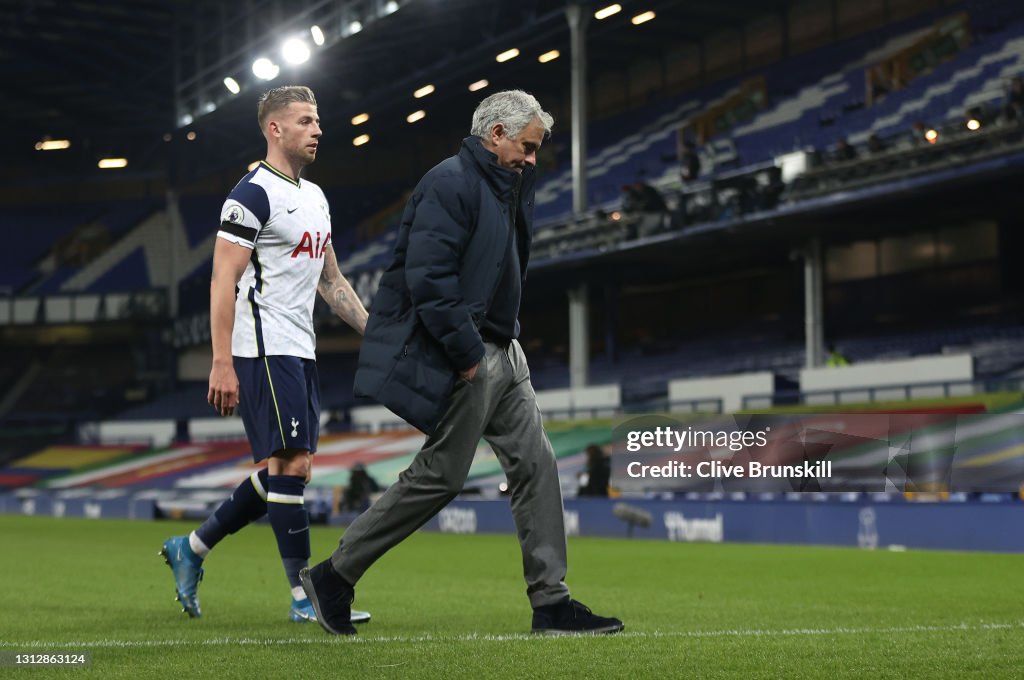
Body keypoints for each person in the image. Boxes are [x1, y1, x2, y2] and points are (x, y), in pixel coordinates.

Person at [299, 90, 624, 637]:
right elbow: (430, 279)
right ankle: (335, 574)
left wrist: (502, 342)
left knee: (536, 464)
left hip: (506, 351)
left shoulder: (509, 187)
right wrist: (467, 353)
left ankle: (551, 601)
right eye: (527, 146)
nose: (532, 158)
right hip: (470, 353)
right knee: (440, 478)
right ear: (495, 134)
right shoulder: (448, 183)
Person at [159, 85, 372, 626]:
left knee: (286, 473)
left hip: (301, 347)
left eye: (318, 120)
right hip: (262, 345)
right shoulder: (251, 194)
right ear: (274, 129)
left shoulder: (317, 198)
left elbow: (332, 281)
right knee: (292, 466)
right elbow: (222, 279)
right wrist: (221, 360)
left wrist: (376, 331)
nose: (318, 129)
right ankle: (305, 597)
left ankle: (193, 547)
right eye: (305, 121)